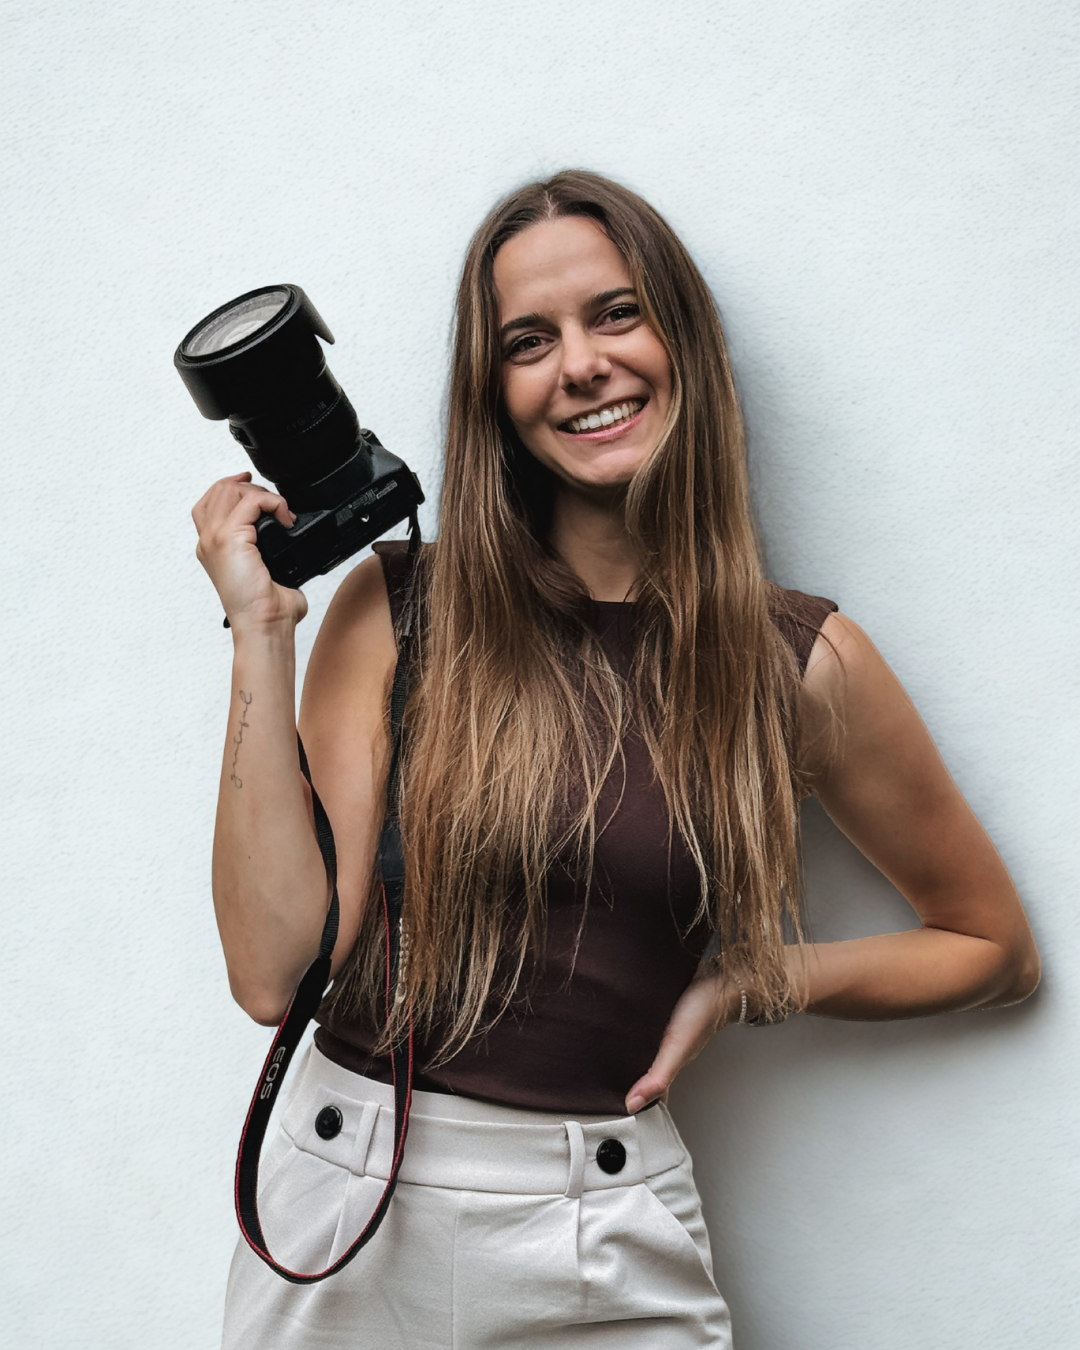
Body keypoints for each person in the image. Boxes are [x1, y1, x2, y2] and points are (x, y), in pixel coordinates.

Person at [192, 170, 1040, 1349]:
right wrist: (261, 632)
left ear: (682, 340)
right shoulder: (398, 608)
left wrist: (755, 981)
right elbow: (275, 975)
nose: (581, 365)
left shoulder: (798, 661)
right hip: (344, 1205)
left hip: (598, 1226)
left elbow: (993, 947)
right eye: (528, 341)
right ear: (494, 395)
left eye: (617, 314)